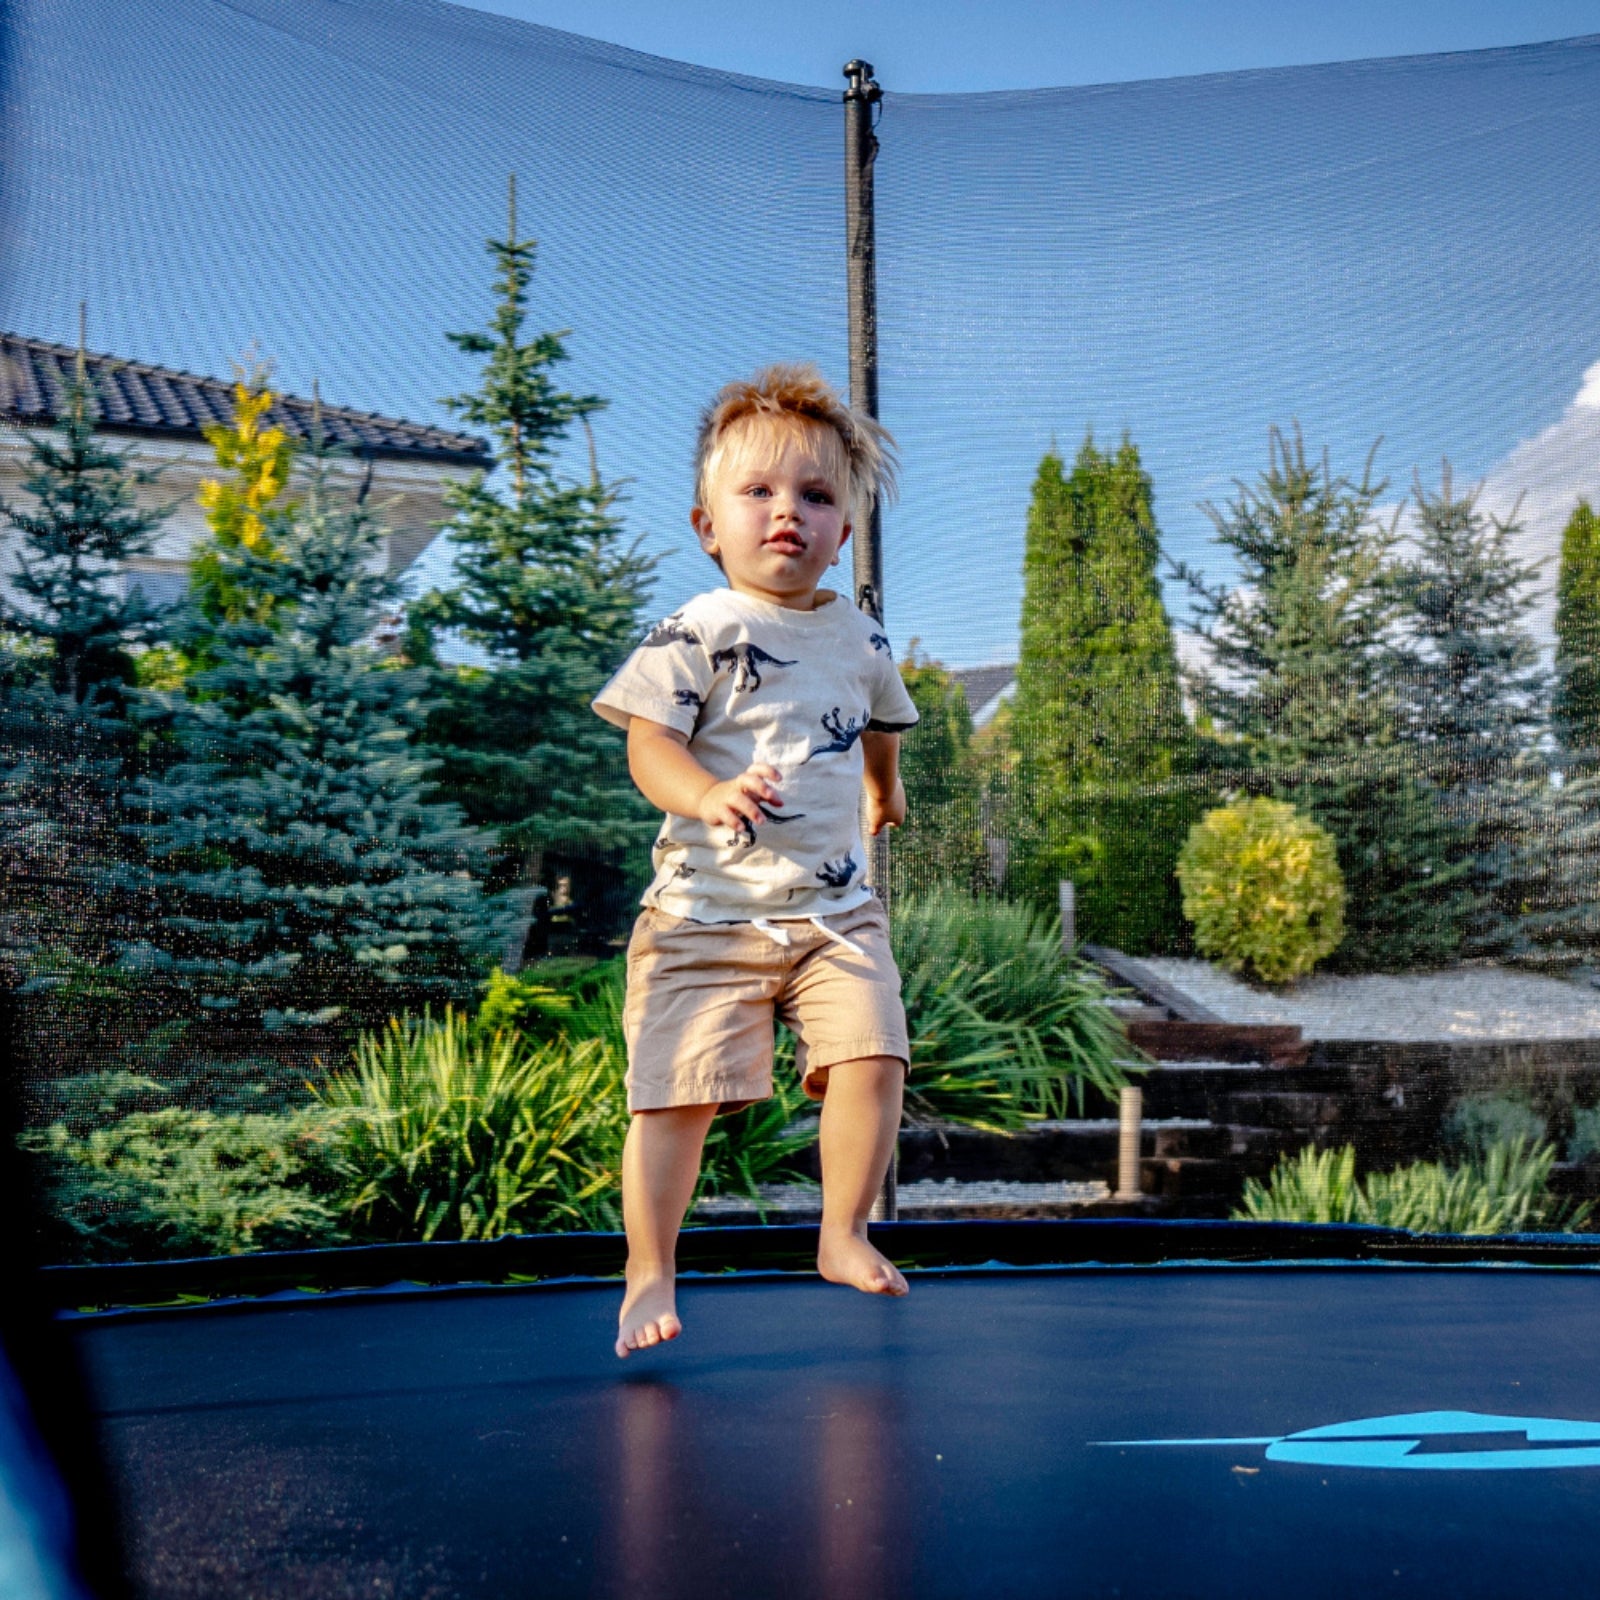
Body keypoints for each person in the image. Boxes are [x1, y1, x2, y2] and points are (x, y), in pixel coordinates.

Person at [593, 363, 920, 1358]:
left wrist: (884, 787)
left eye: (817, 496)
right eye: (760, 492)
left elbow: (880, 716)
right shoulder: (696, 629)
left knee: (874, 1054)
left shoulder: (857, 629)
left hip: (833, 915)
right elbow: (648, 744)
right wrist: (707, 791)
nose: (789, 513)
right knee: (675, 1098)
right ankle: (649, 1266)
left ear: (845, 532)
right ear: (707, 524)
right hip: (704, 914)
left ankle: (842, 1230)